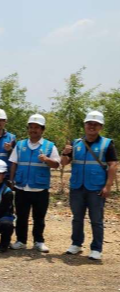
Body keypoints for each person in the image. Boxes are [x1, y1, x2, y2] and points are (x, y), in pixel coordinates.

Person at [61, 110, 118, 260]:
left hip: (96, 188)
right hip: (77, 187)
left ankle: (96, 249)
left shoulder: (107, 144)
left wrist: (108, 186)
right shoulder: (75, 143)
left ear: (101, 127)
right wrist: (65, 153)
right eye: (89, 124)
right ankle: (76, 244)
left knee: (96, 220)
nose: (92, 126)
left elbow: (113, 165)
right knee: (77, 218)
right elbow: (64, 163)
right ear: (85, 125)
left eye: (95, 124)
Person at [9, 114, 60, 252]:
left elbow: (56, 164)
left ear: (42, 130)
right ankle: (21, 241)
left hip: (40, 189)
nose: (33, 130)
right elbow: (14, 163)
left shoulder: (49, 146)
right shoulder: (20, 145)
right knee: (21, 216)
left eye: (37, 127)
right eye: (31, 127)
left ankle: (39, 241)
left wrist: (47, 160)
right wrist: (11, 180)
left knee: (39, 217)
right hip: (21, 187)